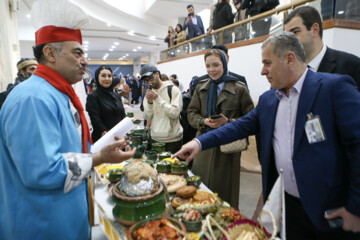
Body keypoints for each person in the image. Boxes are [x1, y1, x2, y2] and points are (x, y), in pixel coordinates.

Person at [174, 32, 360, 239]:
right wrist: (199, 142)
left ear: (290, 59)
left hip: (330, 210)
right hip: (288, 205)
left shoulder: (333, 88)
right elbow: (238, 127)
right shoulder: (269, 100)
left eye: (267, 63)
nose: (262, 71)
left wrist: (356, 207)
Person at [0, 1, 136, 239]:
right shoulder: (34, 98)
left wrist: (101, 151)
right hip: (42, 225)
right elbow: (43, 171)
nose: (84, 60)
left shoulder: (56, 94)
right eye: (77, 52)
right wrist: (99, 157)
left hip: (64, 218)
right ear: (50, 53)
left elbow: (67, 150)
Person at [186, 48, 254, 209]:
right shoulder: (201, 87)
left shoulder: (239, 88)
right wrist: (204, 121)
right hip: (203, 146)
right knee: (200, 192)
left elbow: (251, 119)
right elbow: (191, 113)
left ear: (224, 62)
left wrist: (229, 122)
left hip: (227, 151)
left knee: (224, 196)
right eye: (208, 66)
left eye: (216, 65)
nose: (212, 70)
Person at [284, 5, 360, 89]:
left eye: (295, 32)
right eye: (287, 36)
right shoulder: (285, 72)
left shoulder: (351, 66)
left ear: (315, 30)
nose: (288, 40)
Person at [141, 64, 183, 154]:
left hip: (173, 140)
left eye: (150, 78)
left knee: (173, 166)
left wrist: (158, 99)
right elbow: (147, 117)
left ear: (157, 74)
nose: (149, 82)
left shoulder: (173, 90)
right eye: (146, 80)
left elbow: (175, 113)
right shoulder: (148, 93)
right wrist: (149, 102)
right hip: (155, 138)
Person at [86, 65, 126, 142]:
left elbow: (122, 115)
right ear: (97, 77)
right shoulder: (93, 97)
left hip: (118, 138)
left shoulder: (116, 95)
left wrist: (123, 132)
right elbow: (96, 121)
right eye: (103, 76)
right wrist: (110, 136)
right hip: (102, 139)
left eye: (109, 76)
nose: (107, 79)